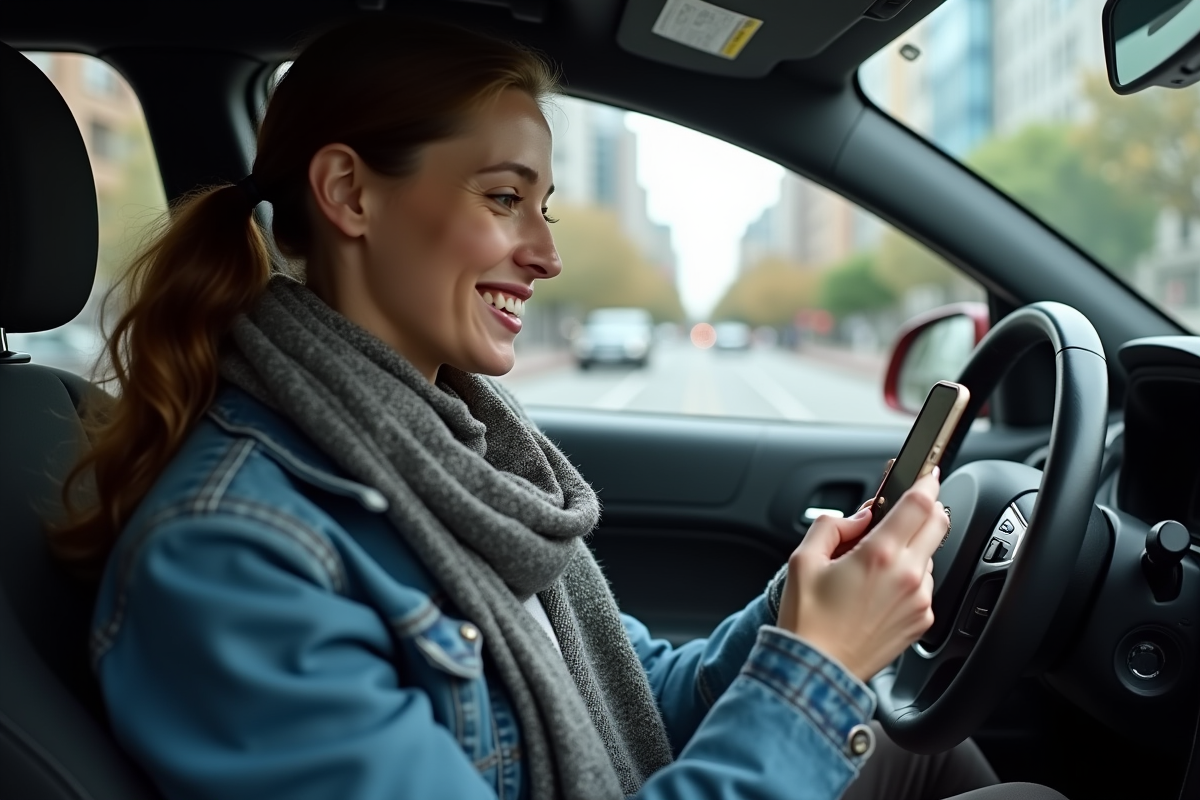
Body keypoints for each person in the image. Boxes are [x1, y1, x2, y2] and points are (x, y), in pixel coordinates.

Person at [52, 17, 1067, 800]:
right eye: (505, 198)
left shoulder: (451, 451)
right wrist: (816, 668)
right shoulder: (232, 557)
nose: (546, 252)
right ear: (350, 194)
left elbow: (638, 696)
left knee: (923, 745)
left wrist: (806, 611)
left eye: (545, 203)